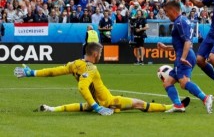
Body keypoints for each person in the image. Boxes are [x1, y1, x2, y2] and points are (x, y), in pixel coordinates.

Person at [14, 42, 190, 115]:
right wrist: (98, 107)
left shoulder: (75, 64)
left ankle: (52, 109)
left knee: (83, 107)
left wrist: (33, 73)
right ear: (96, 54)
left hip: (96, 101)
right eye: (101, 54)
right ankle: (171, 106)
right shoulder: (91, 68)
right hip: (108, 102)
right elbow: (83, 88)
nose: (101, 56)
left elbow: (55, 71)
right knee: (139, 104)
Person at [157, 0, 213, 113]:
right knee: (167, 82)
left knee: (183, 82)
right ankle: (178, 105)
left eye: (167, 12)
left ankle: (206, 98)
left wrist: (183, 57)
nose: (166, 15)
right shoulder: (182, 21)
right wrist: (166, 48)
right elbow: (181, 45)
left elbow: (187, 41)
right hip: (184, 54)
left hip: (185, 56)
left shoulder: (180, 22)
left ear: (173, 10)